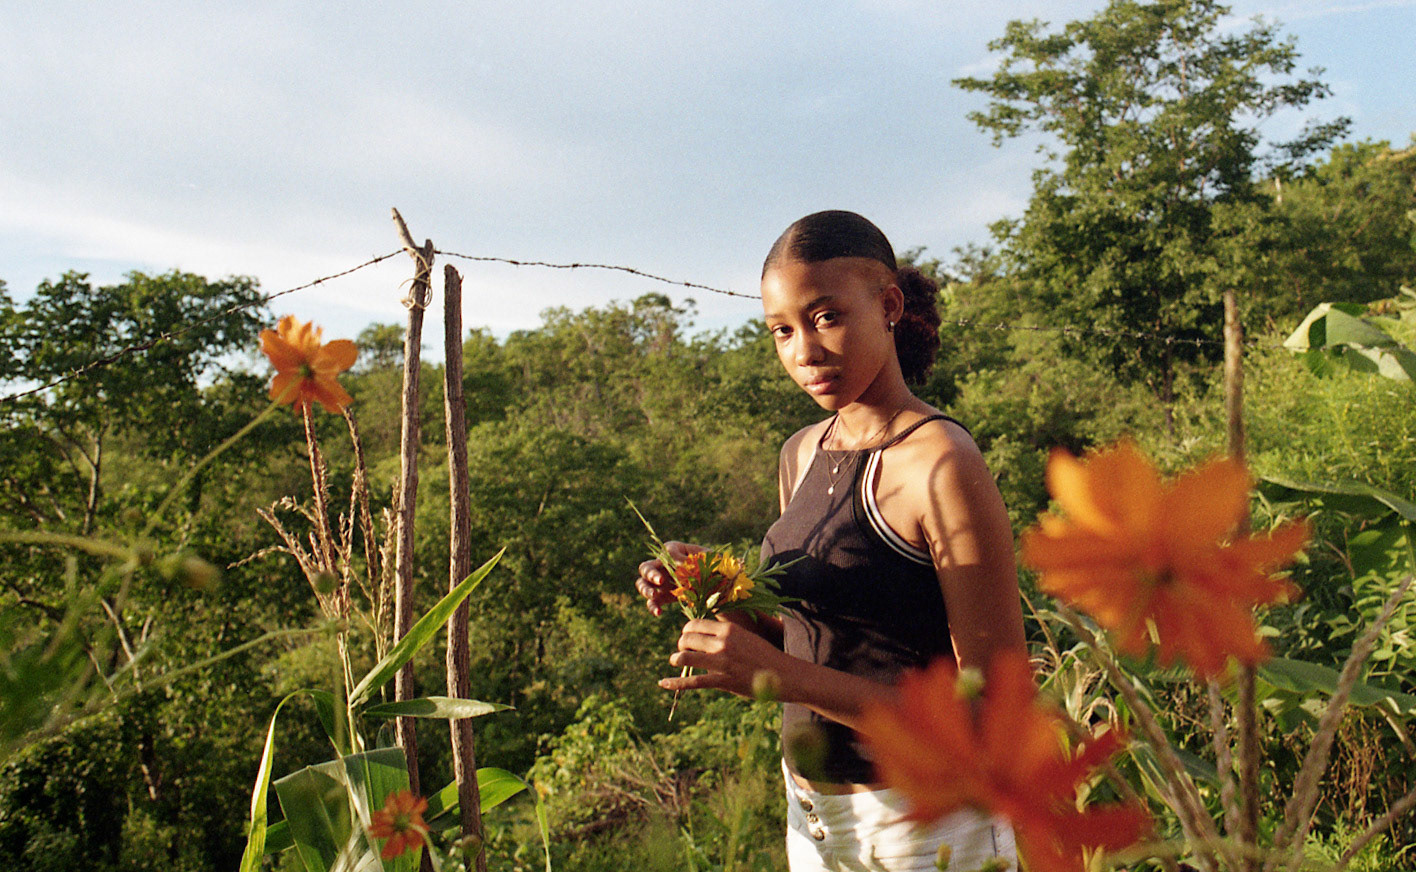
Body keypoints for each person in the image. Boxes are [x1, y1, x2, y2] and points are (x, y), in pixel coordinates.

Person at [635, 210, 1026, 872]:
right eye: (782, 331)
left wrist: (781, 677)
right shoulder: (800, 453)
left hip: (927, 821)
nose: (804, 352)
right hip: (814, 816)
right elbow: (807, 637)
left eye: (826, 318)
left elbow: (993, 714)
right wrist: (712, 592)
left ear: (889, 305)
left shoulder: (938, 461)